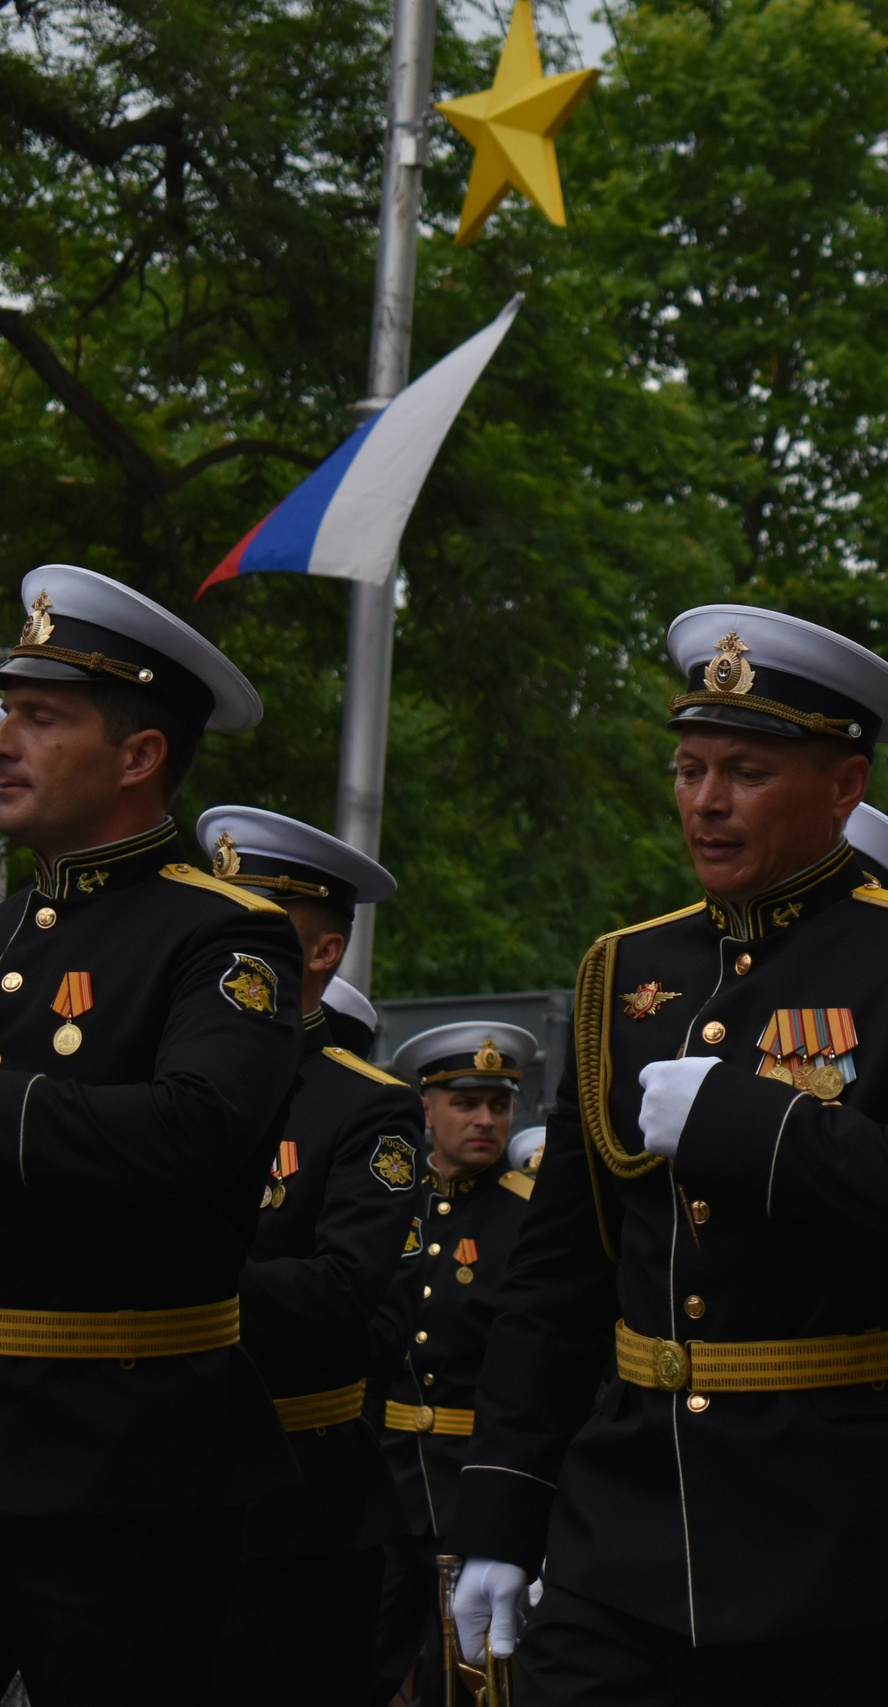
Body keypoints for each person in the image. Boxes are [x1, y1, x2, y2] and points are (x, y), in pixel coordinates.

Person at [445, 604, 888, 1703]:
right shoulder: (624, 971)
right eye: (689, 767)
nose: (707, 801)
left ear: (845, 787)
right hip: (627, 1524)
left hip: (850, 1541)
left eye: (746, 771)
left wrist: (744, 1125)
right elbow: (560, 1278)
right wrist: (504, 1501)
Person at [0, 564, 304, 1703]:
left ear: (139, 757)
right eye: (6, 709)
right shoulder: (9, 923)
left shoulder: (225, 934)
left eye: (41, 716)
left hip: (121, 1469)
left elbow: (202, 1128)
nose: (4, 738)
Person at [194, 806, 423, 1707]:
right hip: (138, 1473)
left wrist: (172, 1286)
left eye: (250, 920)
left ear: (321, 955)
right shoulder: (156, 1071)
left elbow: (347, 1289)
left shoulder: (362, 1105)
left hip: (291, 1504)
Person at [367, 1020, 542, 1705]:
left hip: (478, 1484)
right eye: (465, 1102)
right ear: (426, 1108)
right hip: (384, 1480)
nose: (485, 1119)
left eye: (498, 1105)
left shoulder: (529, 1215)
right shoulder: (389, 1204)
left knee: (471, 1676)